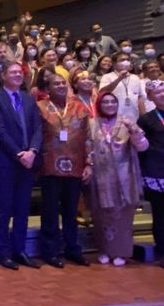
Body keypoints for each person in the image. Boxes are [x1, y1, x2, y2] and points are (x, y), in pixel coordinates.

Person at [0, 62, 43, 270]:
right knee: (4, 208)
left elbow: (38, 128)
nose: (18, 75)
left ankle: (20, 250)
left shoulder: (28, 99)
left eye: (20, 72)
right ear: (3, 76)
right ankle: (3, 252)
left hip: (28, 162)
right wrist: (19, 153)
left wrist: (33, 151)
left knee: (22, 208)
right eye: (13, 72)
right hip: (6, 162)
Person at [37, 74, 93, 268]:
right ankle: (50, 252)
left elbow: (87, 137)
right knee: (50, 212)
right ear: (48, 88)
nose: (61, 86)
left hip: (75, 166)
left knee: (71, 212)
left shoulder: (79, 107)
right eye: (56, 84)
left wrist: (88, 163)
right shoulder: (40, 107)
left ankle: (73, 249)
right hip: (49, 166)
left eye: (63, 83)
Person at [87, 91, 148, 266]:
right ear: (99, 104)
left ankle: (122, 252)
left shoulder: (126, 123)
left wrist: (134, 131)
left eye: (113, 102)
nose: (109, 105)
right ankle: (105, 250)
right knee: (101, 216)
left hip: (124, 176)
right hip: (101, 177)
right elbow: (88, 146)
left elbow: (143, 146)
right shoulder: (92, 123)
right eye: (105, 102)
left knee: (122, 218)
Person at [138, 80, 164, 268]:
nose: (163, 94)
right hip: (156, 171)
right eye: (159, 92)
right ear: (151, 97)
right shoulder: (146, 119)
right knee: (160, 214)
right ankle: (162, 250)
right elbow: (141, 147)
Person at [99, 52, 145, 121]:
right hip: (115, 119)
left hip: (134, 118)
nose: (125, 62)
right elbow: (102, 93)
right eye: (122, 60)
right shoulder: (107, 77)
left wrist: (145, 117)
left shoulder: (135, 77)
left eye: (127, 60)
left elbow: (139, 98)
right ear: (114, 63)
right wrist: (119, 79)